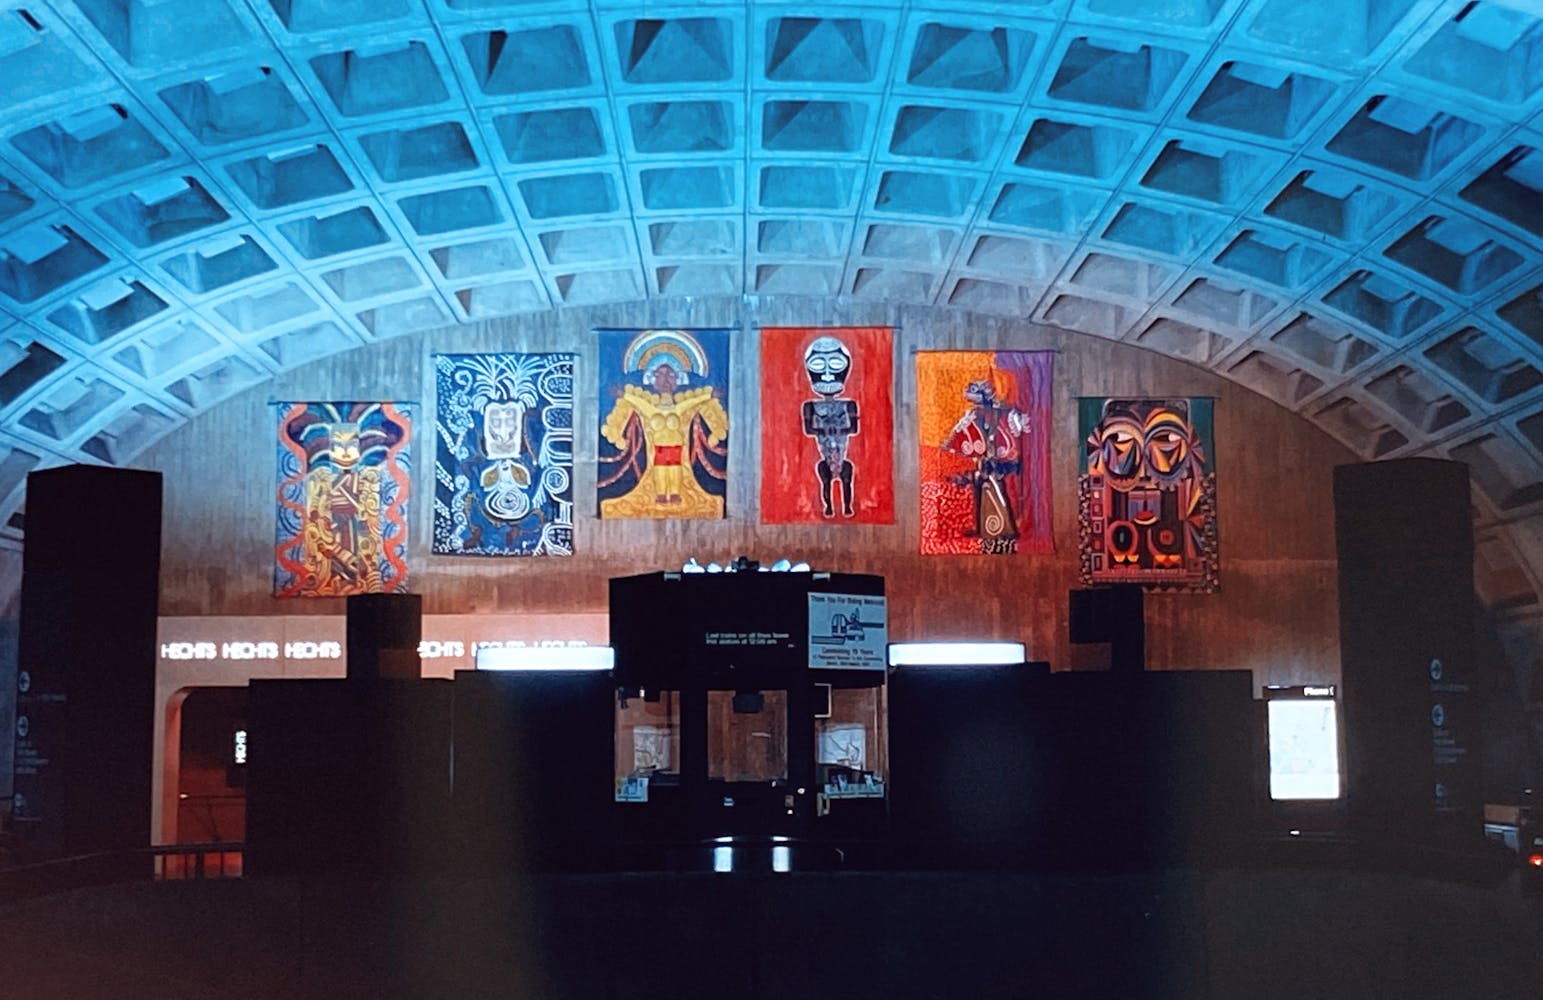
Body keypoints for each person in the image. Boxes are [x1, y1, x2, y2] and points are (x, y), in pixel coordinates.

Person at [943, 379, 1026, 553]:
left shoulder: (1001, 413)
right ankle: (983, 527)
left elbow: (1009, 436)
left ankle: (1004, 529)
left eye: (978, 400)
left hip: (997, 462)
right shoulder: (975, 415)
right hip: (985, 461)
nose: (977, 405)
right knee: (981, 492)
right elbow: (959, 436)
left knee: (996, 492)